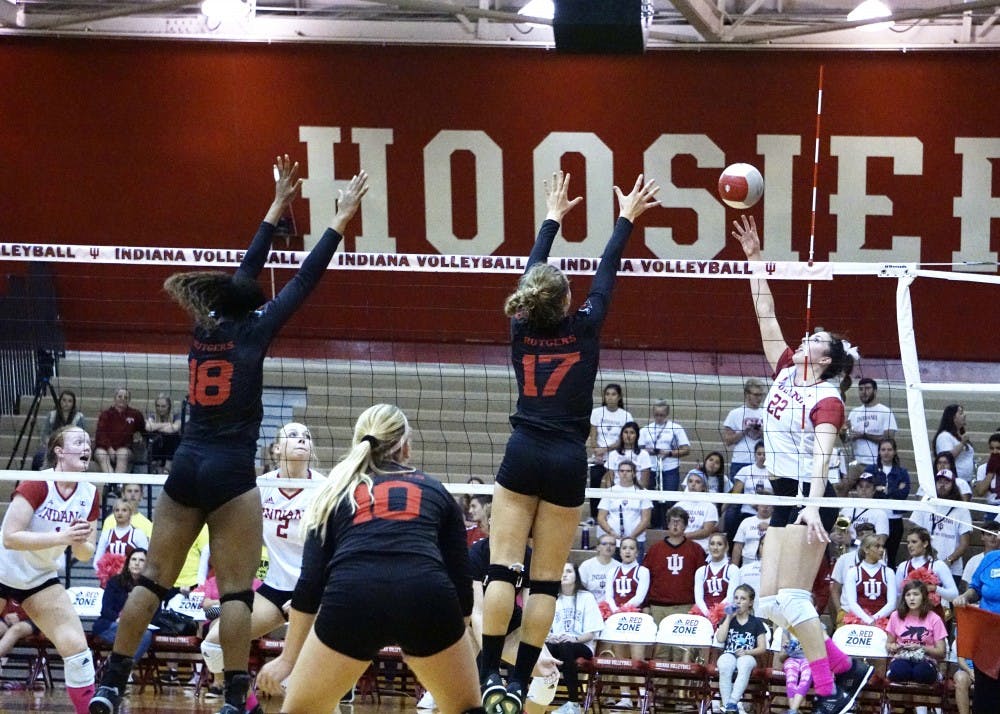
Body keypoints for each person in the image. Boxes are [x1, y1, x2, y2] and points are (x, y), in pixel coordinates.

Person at [89, 156, 369, 714]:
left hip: (186, 465)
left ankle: (109, 685)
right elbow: (304, 281)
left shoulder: (203, 330)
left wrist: (273, 211)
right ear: (249, 305)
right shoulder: (255, 330)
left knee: (151, 580)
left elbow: (243, 275)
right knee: (238, 592)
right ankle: (234, 697)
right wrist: (338, 220)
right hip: (231, 470)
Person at [479, 171, 659, 714]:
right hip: (566, 460)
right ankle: (518, 682)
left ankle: (489, 670)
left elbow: (531, 272)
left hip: (522, 450)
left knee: (502, 568)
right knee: (544, 584)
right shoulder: (584, 328)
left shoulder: (518, 329)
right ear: (565, 302)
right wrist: (627, 217)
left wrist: (552, 217)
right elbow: (607, 275)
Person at [254, 404, 482, 714]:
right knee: (466, 709)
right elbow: (461, 584)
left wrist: (289, 659)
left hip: (354, 596)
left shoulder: (332, 493)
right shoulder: (437, 491)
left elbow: (309, 586)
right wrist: (451, 640)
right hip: (426, 595)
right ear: (405, 446)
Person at [732, 213, 872, 714]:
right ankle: (841, 664)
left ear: (829, 358)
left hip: (812, 496)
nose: (807, 335)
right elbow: (764, 310)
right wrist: (754, 259)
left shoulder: (828, 399)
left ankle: (832, 692)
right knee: (770, 604)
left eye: (818, 337)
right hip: (783, 492)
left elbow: (822, 458)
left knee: (791, 597)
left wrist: (813, 507)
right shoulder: (787, 366)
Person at [198, 421, 324, 712]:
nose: (302, 439)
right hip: (275, 591)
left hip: (315, 594)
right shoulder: (260, 487)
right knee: (216, 640)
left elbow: (334, 551)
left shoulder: (323, 488)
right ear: (277, 448)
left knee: (304, 691)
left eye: (306, 435)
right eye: (293, 435)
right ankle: (249, 705)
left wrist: (310, 595)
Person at [0, 426, 99, 714]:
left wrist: (80, 542)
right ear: (59, 451)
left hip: (40, 577)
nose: (86, 447)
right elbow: (10, 537)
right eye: (79, 441)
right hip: (3, 568)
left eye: (88, 443)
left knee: (77, 650)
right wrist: (62, 537)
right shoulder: (37, 483)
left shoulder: (90, 493)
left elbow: (85, 551)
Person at [642, 506, 706, 658]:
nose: (676, 525)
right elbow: (644, 579)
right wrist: (645, 605)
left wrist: (698, 607)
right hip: (658, 607)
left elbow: (703, 579)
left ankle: (680, 683)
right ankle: (658, 682)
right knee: (660, 652)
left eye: (679, 522)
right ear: (667, 525)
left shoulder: (695, 549)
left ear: (685, 525)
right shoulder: (655, 550)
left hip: (684, 607)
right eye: (672, 522)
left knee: (681, 651)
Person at [545, 563, 603, 714]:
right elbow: (545, 629)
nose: (564, 574)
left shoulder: (586, 597)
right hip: (558, 644)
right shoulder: (552, 598)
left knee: (566, 646)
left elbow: (591, 633)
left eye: (569, 571)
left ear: (576, 576)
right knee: (544, 649)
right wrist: (550, 637)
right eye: (561, 571)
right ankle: (537, 698)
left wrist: (573, 639)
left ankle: (573, 703)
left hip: (581, 645)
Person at [952, 541, 1000, 713]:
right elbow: (975, 589)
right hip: (987, 638)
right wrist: (964, 597)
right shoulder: (991, 558)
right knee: (985, 694)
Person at [602, 537, 650, 709]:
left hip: (635, 617)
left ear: (637, 552)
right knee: (620, 659)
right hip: (617, 617)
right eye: (624, 548)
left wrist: (624, 609)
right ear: (620, 551)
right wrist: (615, 610)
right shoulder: (612, 572)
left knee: (637, 659)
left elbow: (640, 596)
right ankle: (625, 696)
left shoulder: (642, 571)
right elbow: (609, 595)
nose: (628, 551)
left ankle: (643, 697)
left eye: (631, 548)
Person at [713, 584, 768, 714]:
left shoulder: (756, 623)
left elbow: (762, 648)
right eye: (736, 598)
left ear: (750, 603)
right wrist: (728, 618)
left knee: (744, 662)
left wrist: (747, 652)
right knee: (725, 663)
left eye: (743, 598)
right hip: (730, 653)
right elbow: (720, 639)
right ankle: (728, 707)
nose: (738, 601)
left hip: (748, 655)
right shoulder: (727, 620)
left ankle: (733, 701)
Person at [909, 469, 972, 579]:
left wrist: (948, 561)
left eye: (946, 482)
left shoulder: (962, 510)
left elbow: (964, 543)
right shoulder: (925, 504)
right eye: (939, 482)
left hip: (951, 568)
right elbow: (914, 534)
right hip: (924, 565)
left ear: (953, 485)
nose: (942, 485)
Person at [93, 549, 154, 662]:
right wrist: (120, 619)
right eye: (133, 559)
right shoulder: (115, 582)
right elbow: (106, 610)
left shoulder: (151, 586)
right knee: (133, 637)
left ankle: (122, 668)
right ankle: (120, 667)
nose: (136, 563)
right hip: (111, 625)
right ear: (128, 563)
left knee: (146, 635)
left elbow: (155, 612)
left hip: (138, 628)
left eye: (141, 560)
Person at [638, 400, 690, 526]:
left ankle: (668, 525)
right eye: (656, 415)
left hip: (670, 468)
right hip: (651, 468)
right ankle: (654, 524)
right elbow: (638, 449)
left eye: (662, 415)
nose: (659, 417)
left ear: (667, 414)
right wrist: (649, 451)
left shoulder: (676, 428)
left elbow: (686, 449)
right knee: (651, 498)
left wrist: (669, 453)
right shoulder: (646, 429)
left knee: (669, 499)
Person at [885, 581, 948, 685]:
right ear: (904, 598)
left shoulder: (934, 618)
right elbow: (888, 644)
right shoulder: (895, 616)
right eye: (908, 595)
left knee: (921, 673)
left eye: (916, 594)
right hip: (902, 656)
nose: (911, 598)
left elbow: (941, 652)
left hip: (926, 659)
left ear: (923, 597)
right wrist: (893, 647)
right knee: (900, 672)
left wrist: (920, 647)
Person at [588, 384, 634, 517]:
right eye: (607, 394)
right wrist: (597, 450)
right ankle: (594, 516)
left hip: (618, 457)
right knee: (595, 484)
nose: (610, 397)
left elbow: (626, 438)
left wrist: (606, 449)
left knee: (616, 485)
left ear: (619, 397)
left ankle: (614, 514)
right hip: (599, 458)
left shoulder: (625, 416)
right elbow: (593, 435)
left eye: (613, 394)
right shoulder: (597, 412)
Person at [844, 378, 898, 490]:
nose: (864, 392)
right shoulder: (854, 412)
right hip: (857, 463)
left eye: (867, 388)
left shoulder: (885, 411)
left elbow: (888, 439)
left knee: (876, 492)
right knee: (841, 487)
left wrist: (863, 435)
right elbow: (846, 439)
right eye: (861, 389)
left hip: (878, 464)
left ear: (875, 391)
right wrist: (843, 431)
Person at [864, 438, 911, 566]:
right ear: (879, 452)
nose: (886, 453)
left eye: (889, 449)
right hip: (874, 518)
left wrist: (883, 489)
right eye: (883, 449)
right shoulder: (871, 470)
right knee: (872, 554)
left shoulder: (902, 472)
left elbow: (904, 493)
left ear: (895, 452)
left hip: (895, 519)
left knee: (891, 556)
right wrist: (894, 489)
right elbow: (867, 491)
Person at [596, 461, 652, 561]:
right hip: (613, 542)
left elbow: (646, 519)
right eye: (622, 471)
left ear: (634, 473)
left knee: (633, 572)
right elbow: (601, 517)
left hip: (635, 541)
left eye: (628, 471)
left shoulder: (642, 492)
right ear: (618, 473)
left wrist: (631, 537)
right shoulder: (610, 492)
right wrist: (611, 532)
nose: (624, 473)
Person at [894, 527, 959, 608]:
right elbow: (897, 595)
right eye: (908, 542)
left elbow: (954, 594)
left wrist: (934, 588)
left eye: (914, 542)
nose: (910, 546)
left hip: (933, 614)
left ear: (925, 543)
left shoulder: (938, 565)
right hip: (910, 616)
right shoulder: (903, 566)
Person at [842, 534, 896, 627]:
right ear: (866, 549)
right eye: (877, 546)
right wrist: (867, 620)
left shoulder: (888, 572)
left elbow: (892, 603)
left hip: (882, 620)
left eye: (882, 547)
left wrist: (874, 619)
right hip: (857, 619)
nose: (881, 550)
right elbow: (852, 602)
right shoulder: (853, 572)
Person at [725, 440, 771, 548]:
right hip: (747, 512)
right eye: (759, 454)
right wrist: (752, 503)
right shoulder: (745, 470)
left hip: (768, 513)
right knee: (732, 517)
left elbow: (778, 494)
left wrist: (764, 498)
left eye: (765, 454)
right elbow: (735, 494)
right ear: (754, 455)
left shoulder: (774, 472)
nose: (762, 457)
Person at [93, 387, 147, 476]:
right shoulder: (106, 414)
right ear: (115, 398)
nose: (122, 399)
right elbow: (100, 434)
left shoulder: (135, 414)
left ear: (129, 400)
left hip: (125, 450)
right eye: (120, 396)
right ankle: (110, 482)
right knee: (101, 454)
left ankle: (118, 485)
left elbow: (144, 429)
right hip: (104, 448)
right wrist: (109, 449)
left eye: (125, 397)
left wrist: (142, 437)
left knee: (122, 453)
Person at [720, 378, 765, 480]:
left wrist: (761, 432)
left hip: (761, 461)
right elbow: (728, 441)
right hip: (740, 460)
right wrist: (745, 431)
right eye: (756, 395)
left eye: (761, 395)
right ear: (747, 394)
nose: (759, 398)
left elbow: (773, 440)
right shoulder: (735, 413)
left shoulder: (766, 414)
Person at [93, 498, 150, 573]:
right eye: (117, 510)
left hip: (131, 579)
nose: (120, 513)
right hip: (110, 580)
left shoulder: (138, 534)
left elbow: (146, 559)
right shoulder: (106, 534)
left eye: (124, 510)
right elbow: (97, 562)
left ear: (130, 513)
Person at [694, 533, 740, 620]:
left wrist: (716, 613)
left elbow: (731, 597)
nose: (715, 547)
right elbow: (698, 598)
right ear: (709, 547)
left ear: (726, 548)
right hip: (704, 615)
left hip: (726, 615)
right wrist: (708, 614)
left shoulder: (733, 569)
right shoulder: (701, 571)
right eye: (712, 544)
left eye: (719, 544)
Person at [673, 469, 719, 552]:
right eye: (690, 481)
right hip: (680, 547)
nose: (693, 484)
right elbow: (673, 528)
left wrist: (685, 536)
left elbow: (706, 531)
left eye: (698, 482)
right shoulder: (678, 505)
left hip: (702, 549)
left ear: (704, 487)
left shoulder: (710, 507)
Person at [837, 473, 890, 545]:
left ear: (874, 490)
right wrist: (833, 536)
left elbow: (880, 542)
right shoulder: (846, 510)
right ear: (856, 489)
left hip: (868, 555)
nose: (863, 489)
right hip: (846, 554)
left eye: (867, 486)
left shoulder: (880, 513)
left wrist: (853, 541)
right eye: (860, 486)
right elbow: (837, 531)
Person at [934, 404, 975, 484]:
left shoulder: (960, 435)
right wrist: (962, 443)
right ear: (952, 417)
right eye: (961, 413)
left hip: (965, 481)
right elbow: (946, 457)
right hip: (952, 481)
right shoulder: (944, 436)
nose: (964, 415)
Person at [604, 421, 652, 489]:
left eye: (632, 433)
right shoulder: (613, 454)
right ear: (621, 435)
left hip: (636, 490)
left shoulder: (644, 454)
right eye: (626, 432)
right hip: (617, 491)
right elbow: (609, 481)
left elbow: (644, 483)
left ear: (637, 436)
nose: (628, 435)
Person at [774, 630, 812, 714]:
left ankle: (793, 710)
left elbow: (821, 652)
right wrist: (786, 649)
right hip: (792, 659)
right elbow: (781, 657)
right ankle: (793, 711)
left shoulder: (816, 626)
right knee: (791, 677)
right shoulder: (787, 629)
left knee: (806, 675)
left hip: (809, 659)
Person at [578, 534, 621, 603]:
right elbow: (580, 588)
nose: (608, 546)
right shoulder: (586, 565)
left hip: (612, 605)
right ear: (597, 547)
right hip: (591, 604)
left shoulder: (619, 567)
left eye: (612, 544)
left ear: (615, 548)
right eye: (604, 544)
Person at [145, 393, 182, 474]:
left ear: (169, 406)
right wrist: (165, 424)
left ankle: (168, 466)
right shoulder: (152, 415)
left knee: (172, 435)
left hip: (171, 448)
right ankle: (155, 464)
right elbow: (148, 427)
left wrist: (157, 427)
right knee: (152, 435)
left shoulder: (176, 415)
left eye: (163, 406)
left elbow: (174, 428)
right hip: (157, 447)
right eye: (158, 406)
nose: (160, 409)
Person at [0, 600, 36, 675]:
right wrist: (5, 614)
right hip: (6, 616)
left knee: (16, 630)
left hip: (33, 619)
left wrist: (20, 616)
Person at [731, 503, 771, 567]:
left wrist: (770, 528)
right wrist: (734, 568)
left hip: (769, 563)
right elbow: (738, 547)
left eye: (768, 504)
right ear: (757, 505)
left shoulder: (777, 523)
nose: (765, 507)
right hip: (747, 563)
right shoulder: (746, 522)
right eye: (762, 504)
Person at [972, 432, 1000, 521]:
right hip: (992, 507)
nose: (995, 452)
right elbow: (980, 492)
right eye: (992, 448)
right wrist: (990, 472)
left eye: (998, 448)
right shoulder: (982, 468)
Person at [962, 520, 999, 587]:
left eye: (996, 534)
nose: (993, 537)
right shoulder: (973, 561)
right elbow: (968, 587)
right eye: (989, 534)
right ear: (982, 536)